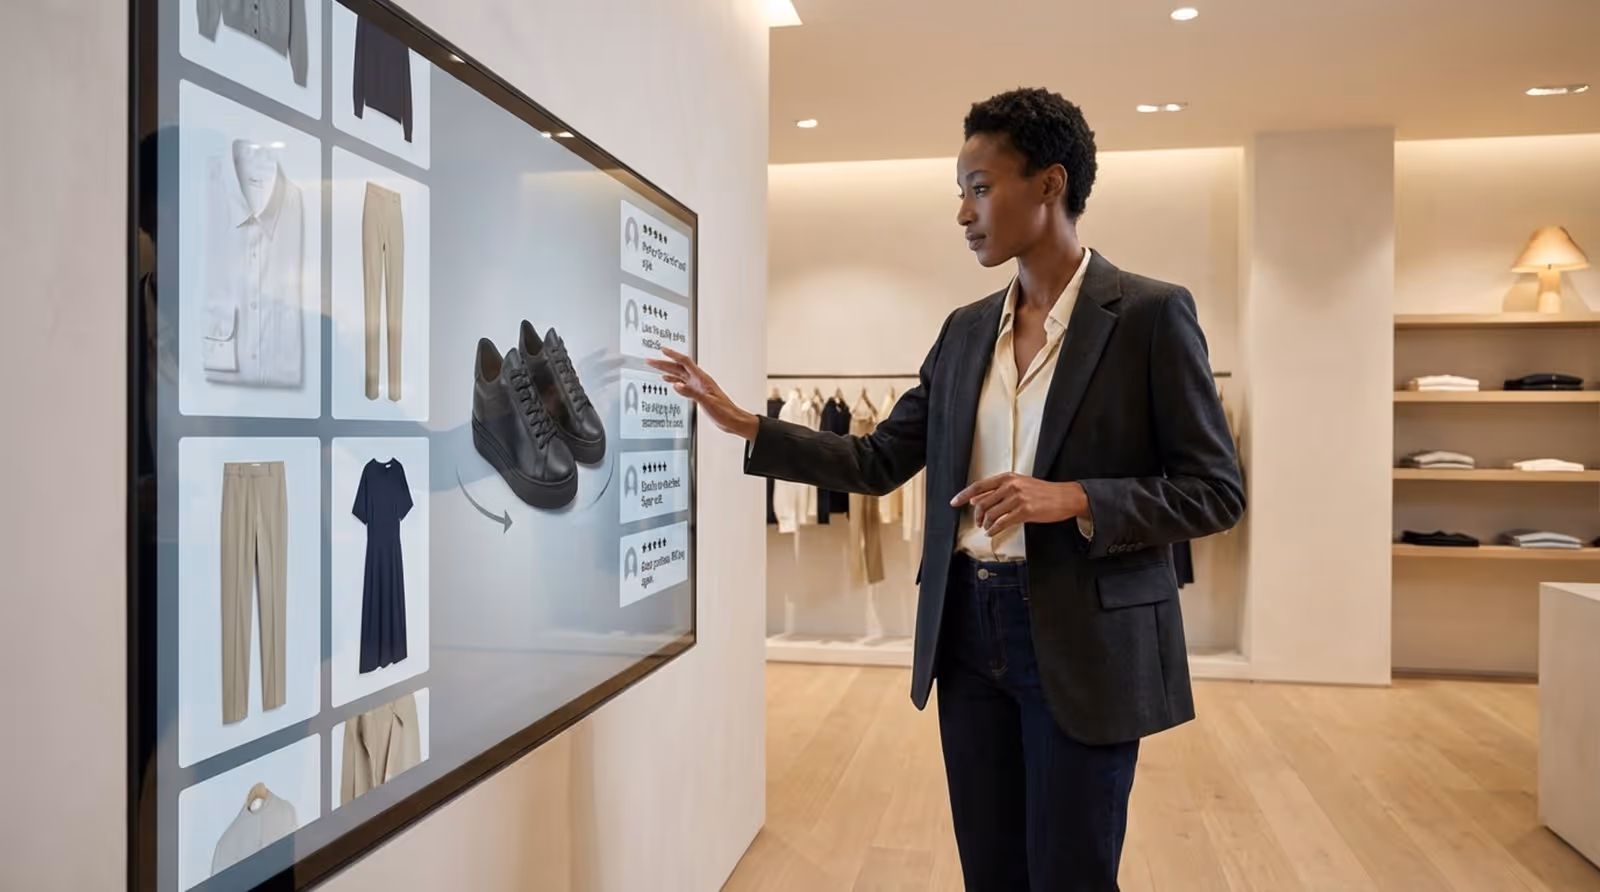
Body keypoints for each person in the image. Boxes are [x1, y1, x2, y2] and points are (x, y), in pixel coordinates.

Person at [649, 87, 1243, 891]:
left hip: (1086, 638)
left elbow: (1214, 490)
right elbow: (877, 460)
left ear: (1051, 184)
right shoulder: (965, 331)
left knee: (1070, 874)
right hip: (968, 628)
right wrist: (750, 424)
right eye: (961, 191)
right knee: (990, 871)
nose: (964, 213)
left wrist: (1073, 498)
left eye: (980, 188)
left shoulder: (1149, 315)